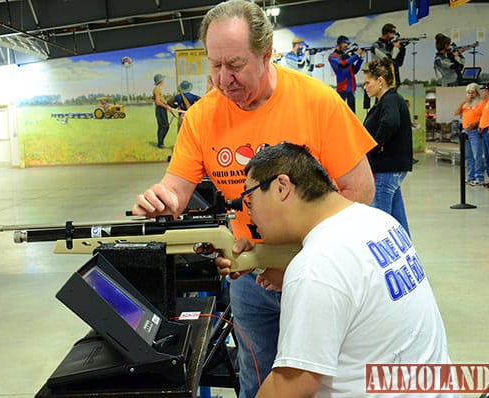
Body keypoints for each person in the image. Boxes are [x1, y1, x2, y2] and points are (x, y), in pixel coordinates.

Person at [132, 1, 376, 397]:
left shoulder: (317, 102)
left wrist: (299, 263)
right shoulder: (201, 117)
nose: (223, 79)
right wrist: (162, 198)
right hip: (250, 272)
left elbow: (360, 191)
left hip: (322, 275)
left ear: (266, 55)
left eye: (235, 65)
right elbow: (177, 187)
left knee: (323, 382)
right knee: (258, 377)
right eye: (214, 65)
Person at [229, 142, 453, 397]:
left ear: (282, 187)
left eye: (249, 198)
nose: (248, 212)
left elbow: (291, 385)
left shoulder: (317, 267)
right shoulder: (378, 221)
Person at [363, 58, 413, 236]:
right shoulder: (388, 100)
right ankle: (405, 251)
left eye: (368, 82)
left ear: (380, 81)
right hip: (391, 168)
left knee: (381, 221)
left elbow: (390, 123)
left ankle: (384, 261)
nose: (365, 86)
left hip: (387, 167)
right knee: (397, 219)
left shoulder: (390, 100)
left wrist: (376, 145)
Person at [455, 83, 485, 185]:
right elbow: (456, 112)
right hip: (465, 132)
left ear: (477, 92)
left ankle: (479, 177)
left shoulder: (481, 103)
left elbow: (484, 117)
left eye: (473, 92)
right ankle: (470, 176)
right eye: (468, 92)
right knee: (468, 156)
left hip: (475, 131)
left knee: (477, 155)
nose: (471, 94)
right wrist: (465, 101)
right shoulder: (466, 104)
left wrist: (474, 124)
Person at [328, 35, 363, 113]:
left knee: (352, 113)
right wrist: (356, 55)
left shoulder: (346, 56)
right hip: (342, 88)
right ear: (339, 44)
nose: (347, 45)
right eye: (345, 43)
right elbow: (343, 65)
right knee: (339, 112)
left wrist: (360, 59)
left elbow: (354, 71)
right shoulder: (332, 56)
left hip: (351, 87)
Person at [370, 23, 406, 88]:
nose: (393, 35)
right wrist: (396, 48)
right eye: (393, 33)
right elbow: (387, 60)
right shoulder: (376, 46)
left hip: (393, 80)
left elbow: (399, 63)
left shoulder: (391, 45)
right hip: (382, 81)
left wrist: (402, 49)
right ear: (388, 33)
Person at [152, 73, 173, 148]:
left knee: (162, 126)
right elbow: (157, 102)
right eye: (163, 80)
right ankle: (160, 143)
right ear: (160, 81)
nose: (164, 81)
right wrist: (166, 107)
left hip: (162, 108)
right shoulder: (157, 89)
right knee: (165, 126)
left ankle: (161, 142)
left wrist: (166, 106)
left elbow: (158, 100)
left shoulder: (157, 89)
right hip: (160, 109)